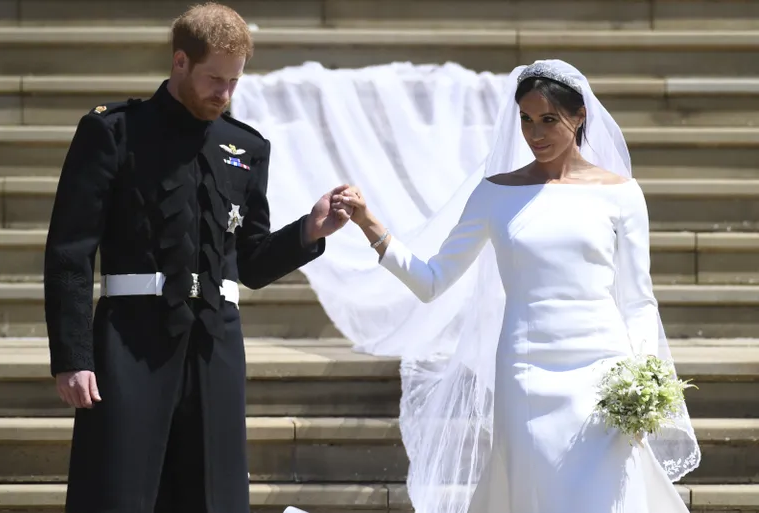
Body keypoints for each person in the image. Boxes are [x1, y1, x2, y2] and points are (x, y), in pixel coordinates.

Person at [332, 60, 700, 513]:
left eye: (548, 119)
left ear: (580, 116)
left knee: (605, 497)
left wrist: (643, 379)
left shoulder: (622, 194)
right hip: (525, 371)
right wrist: (371, 225)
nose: (534, 133)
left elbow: (639, 300)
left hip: (605, 371)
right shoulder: (495, 193)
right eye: (525, 119)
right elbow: (432, 281)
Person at [43, 3, 351, 513]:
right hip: (130, 340)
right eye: (214, 79)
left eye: (234, 82)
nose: (224, 94)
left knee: (216, 497)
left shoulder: (245, 147)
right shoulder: (113, 132)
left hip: (216, 343)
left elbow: (249, 264)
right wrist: (73, 358)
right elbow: (70, 253)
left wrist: (308, 231)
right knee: (119, 494)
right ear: (180, 61)